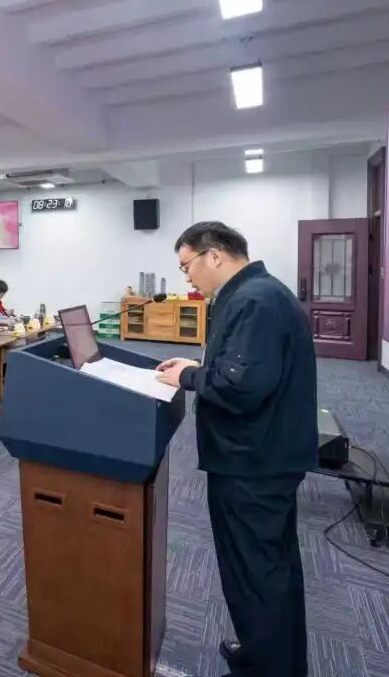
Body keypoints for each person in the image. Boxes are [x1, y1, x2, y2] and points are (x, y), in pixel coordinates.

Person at [155, 221, 317, 677]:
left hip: (252, 463)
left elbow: (242, 387)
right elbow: (242, 368)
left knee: (256, 573)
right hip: (264, 456)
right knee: (270, 567)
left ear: (215, 256)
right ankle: (272, 657)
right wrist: (197, 365)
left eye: (187, 266)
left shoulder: (254, 301)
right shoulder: (259, 293)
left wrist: (189, 376)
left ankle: (267, 668)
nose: (188, 278)